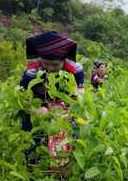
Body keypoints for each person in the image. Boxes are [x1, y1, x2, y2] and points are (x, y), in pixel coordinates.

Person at [19, 31, 85, 168]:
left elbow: (80, 96)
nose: (50, 69)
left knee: (67, 141)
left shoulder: (75, 70)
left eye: (55, 65)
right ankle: (33, 168)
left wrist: (68, 110)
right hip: (38, 109)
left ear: (64, 60)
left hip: (64, 111)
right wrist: (35, 109)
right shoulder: (32, 73)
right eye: (46, 64)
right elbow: (21, 98)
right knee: (33, 140)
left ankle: (61, 173)